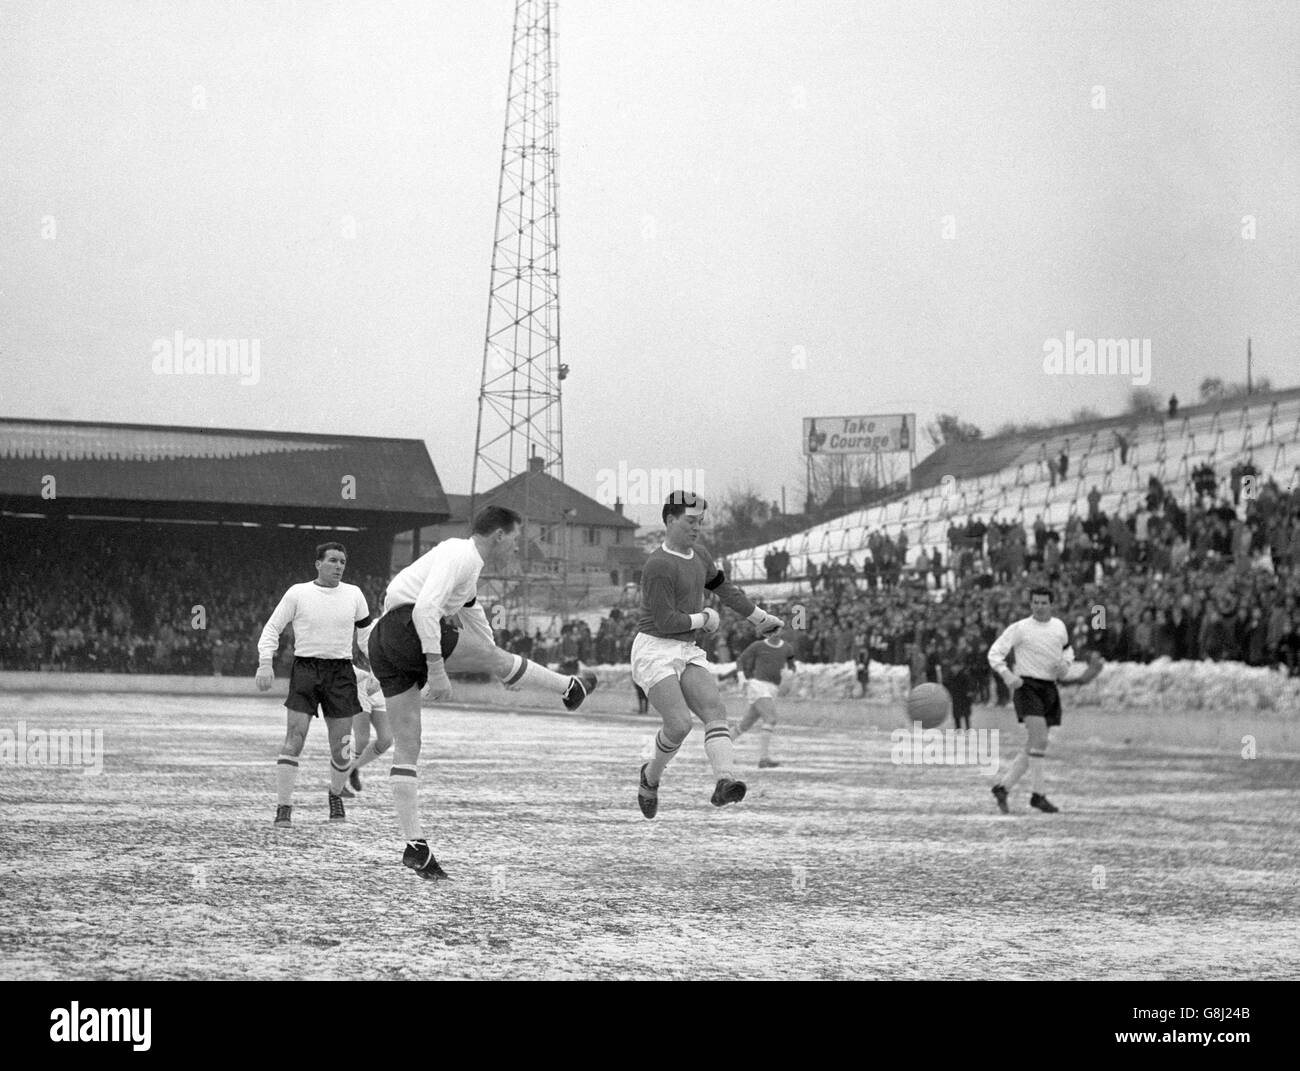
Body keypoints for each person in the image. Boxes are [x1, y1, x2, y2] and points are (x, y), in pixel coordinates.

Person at [367, 506, 597, 881]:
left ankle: (415, 847)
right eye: (516, 541)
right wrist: (439, 669)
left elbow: (478, 625)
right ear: (500, 536)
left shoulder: (466, 569)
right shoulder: (461, 554)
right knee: (491, 663)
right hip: (407, 627)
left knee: (408, 747)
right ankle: (568, 687)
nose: (518, 549)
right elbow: (425, 609)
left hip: (385, 641)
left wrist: (499, 667)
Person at [632, 491, 784, 819]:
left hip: (686, 648)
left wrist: (760, 618)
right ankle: (650, 777)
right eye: (690, 521)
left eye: (700, 522)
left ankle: (723, 780)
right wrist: (705, 619)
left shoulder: (700, 554)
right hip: (655, 648)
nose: (696, 528)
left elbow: (725, 590)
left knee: (715, 711)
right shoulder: (658, 565)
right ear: (670, 520)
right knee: (679, 724)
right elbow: (664, 621)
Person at [256, 542, 373, 828]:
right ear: (318, 563)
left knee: (342, 746)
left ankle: (335, 794)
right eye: (333, 560)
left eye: (343, 562)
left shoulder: (355, 594)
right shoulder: (298, 593)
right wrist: (265, 661)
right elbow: (273, 627)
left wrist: (380, 671)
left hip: (341, 672)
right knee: (294, 739)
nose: (339, 566)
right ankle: (284, 806)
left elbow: (367, 637)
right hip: (306, 669)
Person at [987, 587, 1075, 815]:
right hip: (1027, 687)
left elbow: (1068, 650)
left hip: (1049, 688)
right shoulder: (1020, 628)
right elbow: (994, 653)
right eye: (1035, 602)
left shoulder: (1059, 627)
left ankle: (1003, 788)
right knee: (1040, 738)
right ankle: (1038, 795)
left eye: (1043, 602)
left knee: (1036, 743)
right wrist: (1008, 676)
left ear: (1051, 604)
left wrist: (1065, 665)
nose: (1038, 606)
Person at [732, 631, 797, 768]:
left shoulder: (787, 648)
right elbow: (740, 660)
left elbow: (792, 666)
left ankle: (718, 746)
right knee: (771, 718)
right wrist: (741, 677)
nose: (776, 633)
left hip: (773, 689)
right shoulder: (757, 645)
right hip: (758, 686)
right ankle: (764, 758)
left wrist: (789, 675)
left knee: (745, 724)